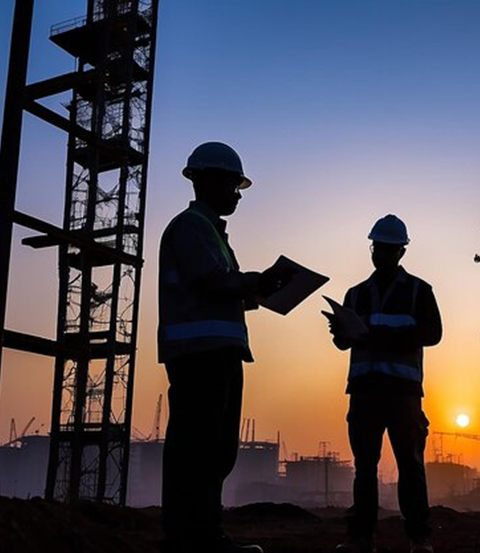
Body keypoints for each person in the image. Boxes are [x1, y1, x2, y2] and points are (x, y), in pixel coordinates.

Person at [158, 142, 289, 553]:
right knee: (197, 450)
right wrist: (257, 282)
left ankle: (203, 536)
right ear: (209, 181)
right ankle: (192, 539)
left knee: (212, 451)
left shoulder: (210, 230)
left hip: (217, 352)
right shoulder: (192, 227)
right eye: (233, 185)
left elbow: (220, 287)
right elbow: (211, 281)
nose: (237, 194)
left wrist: (259, 291)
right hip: (201, 355)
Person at [328, 215, 443, 553]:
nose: (381, 253)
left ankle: (419, 538)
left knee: (410, 466)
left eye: (387, 249)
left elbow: (433, 334)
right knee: (365, 468)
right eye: (378, 248)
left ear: (400, 252)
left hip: (402, 394)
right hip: (364, 391)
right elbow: (343, 345)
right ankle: (361, 538)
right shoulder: (356, 294)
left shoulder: (420, 292)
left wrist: (379, 333)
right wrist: (341, 332)